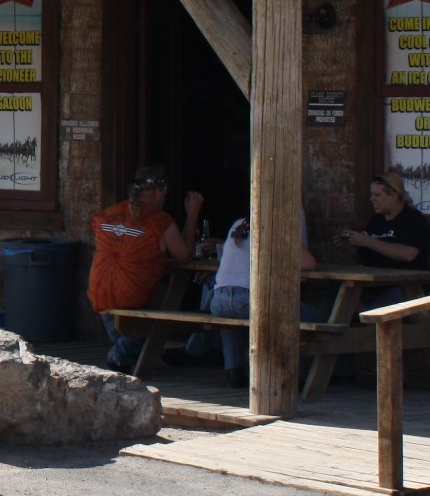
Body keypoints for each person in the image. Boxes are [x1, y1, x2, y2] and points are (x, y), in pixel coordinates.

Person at [90, 165, 201, 371]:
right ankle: (120, 355)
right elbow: (183, 255)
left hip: (99, 292)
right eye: (164, 191)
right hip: (132, 295)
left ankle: (126, 353)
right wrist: (192, 214)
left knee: (129, 330)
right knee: (165, 302)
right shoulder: (160, 221)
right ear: (157, 191)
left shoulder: (105, 216)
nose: (165, 196)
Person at [205, 211, 322, 385]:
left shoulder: (238, 223)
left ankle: (233, 369)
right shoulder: (276, 227)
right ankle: (299, 376)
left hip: (218, 300)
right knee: (313, 316)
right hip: (248, 300)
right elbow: (308, 263)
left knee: (232, 313)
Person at [336, 170, 430, 271]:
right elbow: (365, 258)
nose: (371, 199)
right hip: (375, 282)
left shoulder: (413, 219)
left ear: (394, 196)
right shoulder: (377, 220)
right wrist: (350, 246)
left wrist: (368, 241)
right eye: (371, 195)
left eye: (377, 195)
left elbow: (408, 254)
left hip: (403, 284)